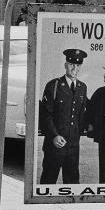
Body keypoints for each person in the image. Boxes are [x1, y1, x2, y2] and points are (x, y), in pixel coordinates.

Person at [39, 48, 89, 185]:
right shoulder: (53, 85)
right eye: (72, 64)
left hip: (73, 147)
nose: (75, 68)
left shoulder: (82, 88)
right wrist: (54, 135)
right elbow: (46, 115)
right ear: (65, 65)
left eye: (78, 65)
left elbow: (81, 116)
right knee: (48, 182)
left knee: (72, 184)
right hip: (54, 145)